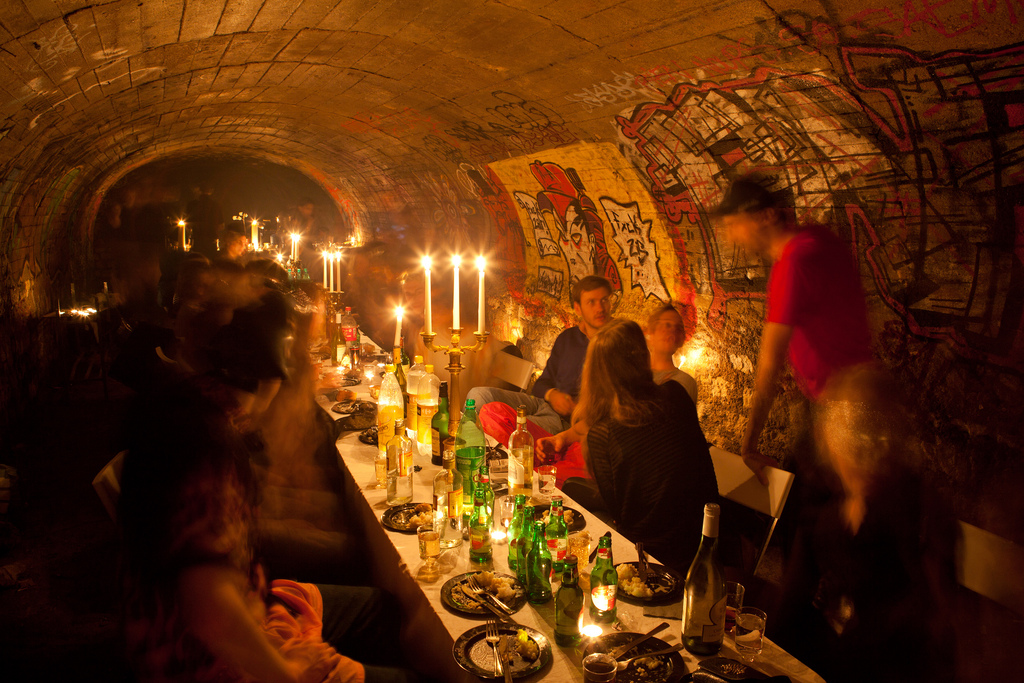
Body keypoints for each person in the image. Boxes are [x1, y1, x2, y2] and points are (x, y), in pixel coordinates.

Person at [119, 381, 420, 683]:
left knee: (383, 607)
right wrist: (291, 670)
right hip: (216, 663)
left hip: (250, 603)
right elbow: (210, 607)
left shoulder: (163, 460)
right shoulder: (197, 488)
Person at [715, 175, 874, 486]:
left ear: (766, 216)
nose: (731, 237)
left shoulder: (792, 263)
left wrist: (748, 447)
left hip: (836, 406)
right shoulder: (818, 237)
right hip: (856, 392)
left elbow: (769, 366)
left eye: (735, 224)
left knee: (809, 507)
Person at [569, 319, 718, 571]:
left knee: (573, 507)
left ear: (596, 371)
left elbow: (620, 511)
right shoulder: (677, 394)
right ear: (643, 358)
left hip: (648, 559)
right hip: (705, 541)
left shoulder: (602, 433)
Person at [468, 275, 612, 441]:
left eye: (604, 300)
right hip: (542, 404)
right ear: (578, 308)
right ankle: (466, 447)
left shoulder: (616, 341)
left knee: (500, 422)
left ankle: (475, 454)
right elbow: (541, 385)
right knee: (477, 396)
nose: (600, 308)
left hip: (566, 423)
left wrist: (577, 408)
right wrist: (553, 395)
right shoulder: (568, 338)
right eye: (592, 302)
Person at [645, 302, 697, 403]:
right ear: (651, 333)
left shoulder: (686, 383)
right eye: (666, 325)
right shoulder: (636, 376)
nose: (672, 331)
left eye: (678, 328)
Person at [187, 183, 224, 260]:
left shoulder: (192, 205)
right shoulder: (215, 205)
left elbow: (188, 224)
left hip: (197, 241)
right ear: (211, 191)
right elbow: (221, 225)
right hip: (211, 242)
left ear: (198, 190)